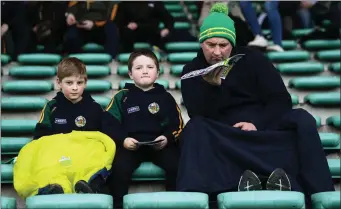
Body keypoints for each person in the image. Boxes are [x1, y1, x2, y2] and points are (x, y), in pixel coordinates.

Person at [178, 2, 334, 206]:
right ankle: (203, 196)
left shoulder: (254, 59)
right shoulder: (191, 70)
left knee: (302, 118)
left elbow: (280, 99)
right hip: (225, 133)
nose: (217, 52)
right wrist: (212, 87)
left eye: (223, 45)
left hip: (261, 128)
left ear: (232, 44)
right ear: (201, 43)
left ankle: (321, 195)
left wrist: (255, 123)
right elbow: (199, 114)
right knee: (194, 129)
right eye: (211, 45)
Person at [103, 49, 183, 208]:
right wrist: (123, 140)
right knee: (119, 168)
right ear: (130, 74)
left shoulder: (166, 97)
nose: (145, 71)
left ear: (158, 72)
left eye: (150, 67)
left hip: (160, 145)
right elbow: (108, 123)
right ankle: (118, 204)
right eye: (139, 68)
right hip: (130, 145)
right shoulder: (122, 96)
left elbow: (178, 124)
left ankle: (175, 202)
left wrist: (167, 138)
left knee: (177, 165)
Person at [33, 57, 111, 194]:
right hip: (60, 158)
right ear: (59, 82)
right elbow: (40, 138)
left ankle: (90, 185)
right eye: (69, 83)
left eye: (79, 82)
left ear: (85, 83)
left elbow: (104, 138)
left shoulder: (94, 108)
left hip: (86, 158)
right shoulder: (51, 108)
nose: (75, 87)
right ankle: (55, 188)